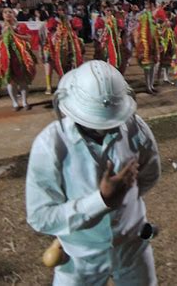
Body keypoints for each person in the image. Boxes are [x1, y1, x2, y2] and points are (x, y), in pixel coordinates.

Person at [26, 60, 160, 285]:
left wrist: (125, 202)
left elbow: (149, 175)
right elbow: (40, 217)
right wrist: (102, 200)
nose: (106, 129)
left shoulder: (136, 128)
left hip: (132, 246)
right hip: (80, 257)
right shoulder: (50, 144)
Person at [0, 7, 36, 111]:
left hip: (19, 56)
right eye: (5, 12)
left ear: (14, 14)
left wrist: (14, 33)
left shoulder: (20, 26)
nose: (8, 14)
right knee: (10, 81)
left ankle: (25, 101)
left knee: (22, 80)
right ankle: (15, 103)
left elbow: (28, 37)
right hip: (4, 57)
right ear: (2, 14)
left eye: (10, 12)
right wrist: (4, 33)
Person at [43, 2, 84, 94]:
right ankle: (48, 85)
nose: (62, 11)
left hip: (70, 42)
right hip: (56, 43)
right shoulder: (53, 20)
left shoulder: (73, 20)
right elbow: (52, 34)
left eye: (63, 9)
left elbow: (76, 33)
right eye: (60, 10)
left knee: (79, 49)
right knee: (47, 57)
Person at [135, 0, 159, 95]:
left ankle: (151, 85)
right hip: (146, 43)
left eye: (148, 3)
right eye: (146, 3)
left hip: (153, 43)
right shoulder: (143, 14)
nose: (148, 5)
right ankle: (148, 86)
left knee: (153, 65)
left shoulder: (153, 16)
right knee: (147, 66)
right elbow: (140, 28)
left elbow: (156, 28)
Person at [94, 5, 124, 71]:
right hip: (102, 41)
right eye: (107, 10)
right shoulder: (101, 19)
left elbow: (119, 30)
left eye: (110, 11)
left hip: (112, 41)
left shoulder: (114, 20)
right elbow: (97, 30)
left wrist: (118, 37)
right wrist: (100, 38)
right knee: (102, 58)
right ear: (104, 11)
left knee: (111, 58)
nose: (109, 12)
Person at [155, 8, 175, 85]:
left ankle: (165, 78)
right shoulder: (160, 24)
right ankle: (157, 79)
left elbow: (170, 34)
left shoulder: (167, 23)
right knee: (159, 62)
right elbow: (159, 34)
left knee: (167, 62)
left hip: (168, 45)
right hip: (162, 45)